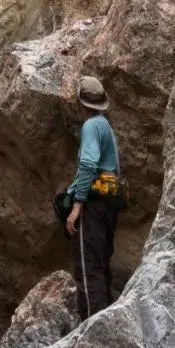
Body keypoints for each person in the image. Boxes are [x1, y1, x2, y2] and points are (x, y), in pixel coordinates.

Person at [65, 73, 121, 319]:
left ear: (80, 102)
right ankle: (105, 323)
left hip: (93, 205)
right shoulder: (105, 126)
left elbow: (88, 164)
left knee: (88, 271)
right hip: (109, 205)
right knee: (101, 266)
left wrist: (77, 205)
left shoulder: (90, 126)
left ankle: (91, 329)